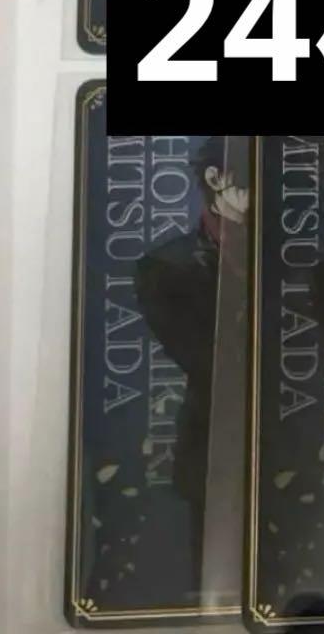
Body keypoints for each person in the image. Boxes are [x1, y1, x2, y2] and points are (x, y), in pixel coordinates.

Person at [134, 136, 248, 586]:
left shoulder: (290, 256)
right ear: (215, 178)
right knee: (215, 581)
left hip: (297, 445)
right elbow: (202, 358)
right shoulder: (166, 267)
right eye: (251, 179)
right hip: (214, 444)